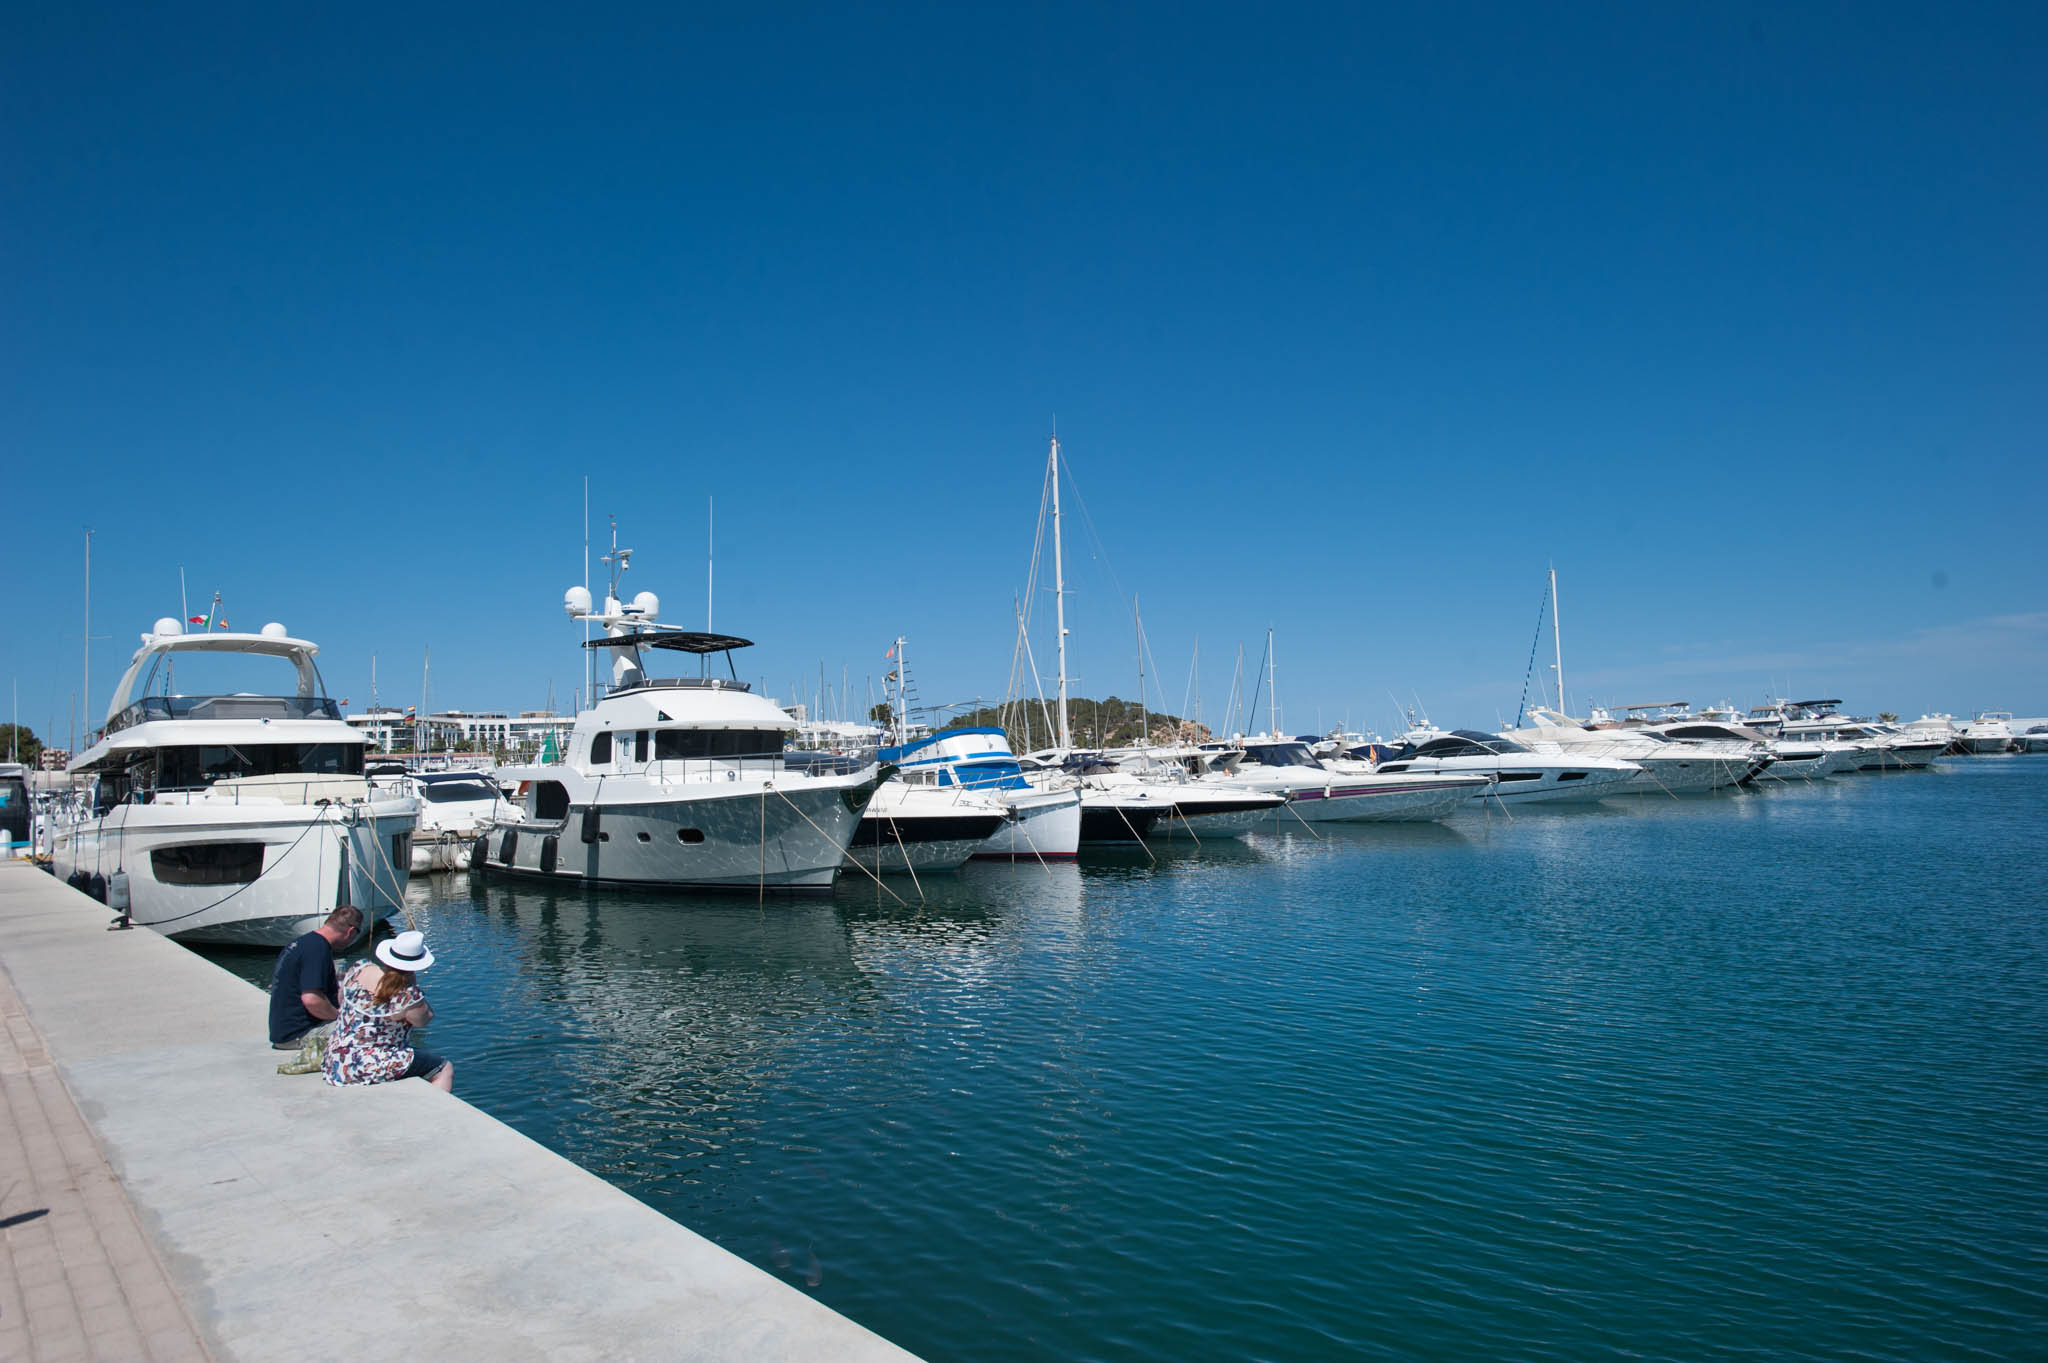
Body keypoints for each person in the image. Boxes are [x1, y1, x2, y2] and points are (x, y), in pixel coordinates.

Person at [322, 929, 454, 1093]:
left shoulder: (359, 968)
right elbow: (424, 1019)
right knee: (443, 1068)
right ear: (415, 966)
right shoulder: (407, 995)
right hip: (366, 1065)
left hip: (336, 1059)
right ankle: (435, 1115)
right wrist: (412, 985)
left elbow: (341, 999)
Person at [268, 905, 363, 1074]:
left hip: (283, 1031)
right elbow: (312, 1000)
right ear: (350, 932)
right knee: (366, 1028)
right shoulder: (317, 950)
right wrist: (340, 1016)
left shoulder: (303, 943)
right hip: (299, 1034)